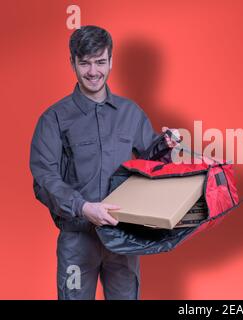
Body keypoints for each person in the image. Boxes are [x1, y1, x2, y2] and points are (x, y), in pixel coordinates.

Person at [29, 25, 179, 300]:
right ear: (72, 62)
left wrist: (166, 147)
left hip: (123, 238)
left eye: (100, 62)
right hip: (77, 239)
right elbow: (44, 179)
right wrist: (83, 208)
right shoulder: (55, 118)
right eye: (84, 63)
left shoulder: (130, 113)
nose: (93, 71)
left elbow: (151, 165)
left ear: (111, 60)